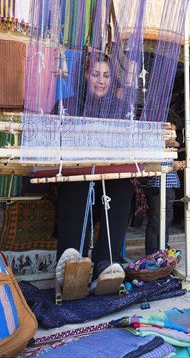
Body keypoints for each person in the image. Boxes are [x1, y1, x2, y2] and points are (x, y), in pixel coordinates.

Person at [53, 52, 133, 296]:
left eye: (106, 75)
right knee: (76, 183)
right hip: (78, 177)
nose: (101, 80)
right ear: (85, 76)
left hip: (108, 180)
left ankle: (106, 263)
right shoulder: (67, 106)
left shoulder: (120, 109)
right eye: (95, 74)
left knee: (123, 187)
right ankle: (71, 262)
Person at [143, 126, 185, 255]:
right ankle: (152, 251)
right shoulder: (151, 145)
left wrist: (177, 164)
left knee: (167, 218)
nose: (172, 136)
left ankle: (163, 246)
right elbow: (150, 165)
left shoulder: (170, 149)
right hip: (157, 186)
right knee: (156, 220)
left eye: (173, 132)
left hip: (169, 186)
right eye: (169, 132)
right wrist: (173, 165)